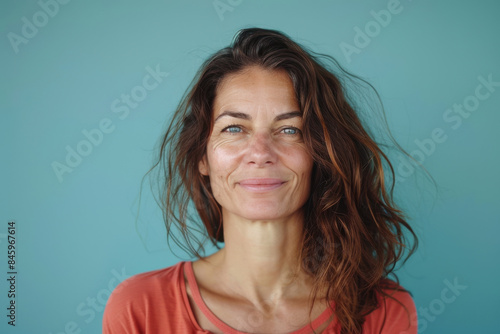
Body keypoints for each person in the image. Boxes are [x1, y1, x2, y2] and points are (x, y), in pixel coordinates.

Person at [103, 27, 419, 334]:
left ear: (320, 156)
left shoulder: (382, 309)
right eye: (234, 129)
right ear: (203, 157)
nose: (260, 153)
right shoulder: (138, 307)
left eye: (290, 130)